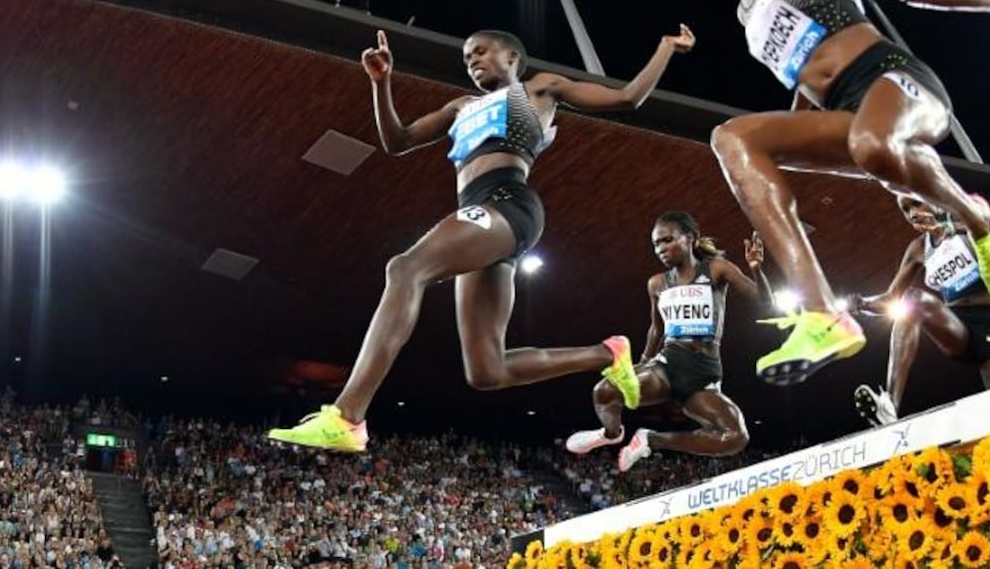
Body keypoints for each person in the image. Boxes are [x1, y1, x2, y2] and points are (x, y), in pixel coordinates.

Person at [269, 24, 696, 451]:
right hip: (480, 216)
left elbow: (628, 98)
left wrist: (665, 48)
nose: (471, 60)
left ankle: (348, 416)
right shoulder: (460, 107)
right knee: (486, 371)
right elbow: (398, 141)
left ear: (512, 57)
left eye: (480, 52)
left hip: (508, 202)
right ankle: (607, 353)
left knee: (405, 268)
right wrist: (381, 84)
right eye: (467, 57)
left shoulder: (538, 89)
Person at [676, 0, 990, 386]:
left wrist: (989, 1)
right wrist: (782, 148)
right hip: (848, 113)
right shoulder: (746, 18)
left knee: (874, 145)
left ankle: (976, 219)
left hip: (895, 78)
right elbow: (806, 83)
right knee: (732, 138)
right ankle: (822, 314)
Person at [564, 212, 773, 472]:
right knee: (604, 391)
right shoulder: (657, 283)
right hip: (668, 365)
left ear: (690, 238)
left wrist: (756, 269)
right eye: (656, 244)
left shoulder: (717, 268)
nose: (661, 249)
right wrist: (641, 363)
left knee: (735, 438)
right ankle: (610, 434)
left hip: (703, 374)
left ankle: (651, 439)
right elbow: (657, 328)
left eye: (667, 240)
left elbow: (766, 303)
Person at [849, 196, 990, 425]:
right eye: (905, 210)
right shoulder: (919, 248)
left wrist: (949, 227)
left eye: (916, 203)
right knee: (912, 300)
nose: (912, 213)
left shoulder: (961, 220)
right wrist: (863, 304)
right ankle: (888, 405)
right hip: (957, 325)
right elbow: (891, 297)